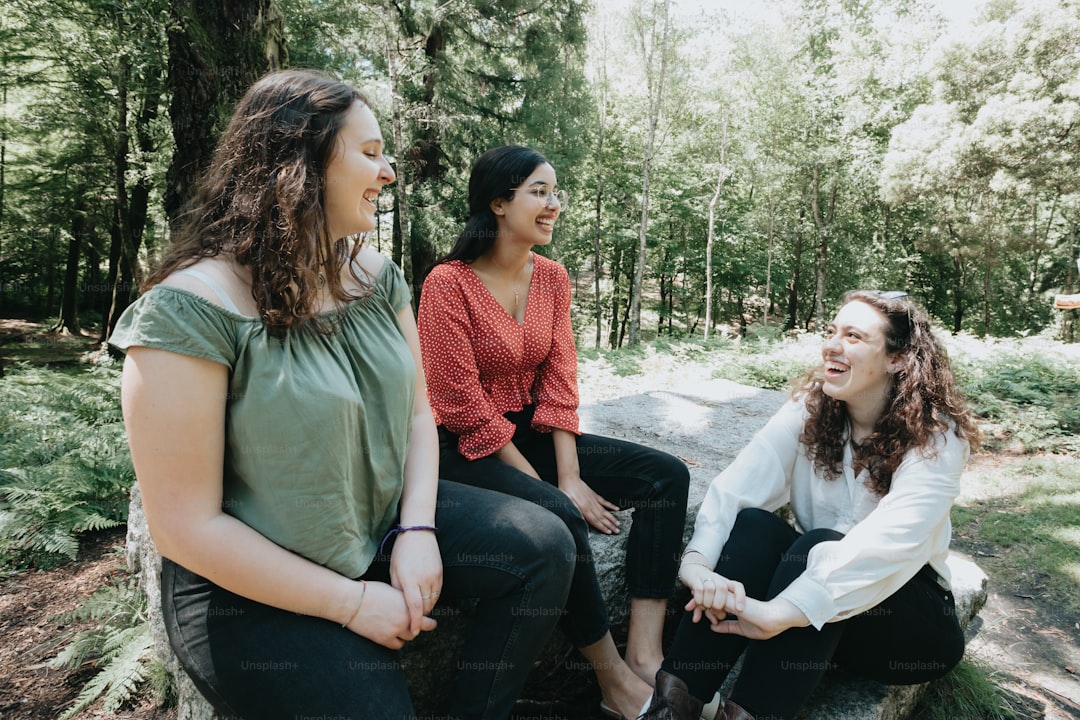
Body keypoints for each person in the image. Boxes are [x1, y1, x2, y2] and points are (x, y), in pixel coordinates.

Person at [109, 70, 577, 720]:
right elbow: (186, 526)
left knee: (546, 544)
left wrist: (417, 527)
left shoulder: (376, 277)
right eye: (370, 152)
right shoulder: (187, 310)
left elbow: (419, 413)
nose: (388, 173)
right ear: (296, 164)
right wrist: (352, 603)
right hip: (251, 585)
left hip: (379, 521)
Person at [416, 145, 691, 720]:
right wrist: (550, 487)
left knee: (665, 476)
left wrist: (569, 471)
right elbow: (461, 404)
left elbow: (560, 377)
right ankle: (610, 677)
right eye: (538, 192)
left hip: (535, 429)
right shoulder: (447, 284)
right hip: (462, 448)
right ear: (498, 202)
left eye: (555, 193)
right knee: (558, 514)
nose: (553, 205)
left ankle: (644, 654)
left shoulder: (553, 278)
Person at [640, 290, 979, 720]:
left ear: (899, 358)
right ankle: (672, 704)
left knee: (818, 547)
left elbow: (891, 544)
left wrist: (781, 611)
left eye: (854, 336)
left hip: (906, 625)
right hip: (824, 618)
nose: (832, 345)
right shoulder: (813, 408)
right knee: (756, 529)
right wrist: (697, 566)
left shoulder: (936, 438)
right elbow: (739, 486)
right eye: (831, 331)